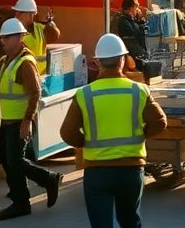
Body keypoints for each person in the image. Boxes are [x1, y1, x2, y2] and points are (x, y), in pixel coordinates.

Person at [60, 34, 167, 228]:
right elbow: (160, 122)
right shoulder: (139, 90)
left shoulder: (84, 94)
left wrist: (86, 142)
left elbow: (67, 133)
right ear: (123, 59)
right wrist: (140, 136)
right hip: (131, 170)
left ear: (98, 61)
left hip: (97, 172)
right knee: (130, 222)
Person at [0, 18, 62, 220]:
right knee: (7, 161)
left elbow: (35, 93)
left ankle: (47, 180)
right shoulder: (5, 61)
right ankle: (20, 198)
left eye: (6, 37)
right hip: (7, 121)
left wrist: (26, 122)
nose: (2, 41)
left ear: (19, 38)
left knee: (15, 161)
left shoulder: (24, 63)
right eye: (1, 38)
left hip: (18, 122)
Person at [12, 0, 60, 74]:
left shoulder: (40, 28)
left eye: (20, 12)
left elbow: (55, 35)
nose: (16, 15)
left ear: (31, 14)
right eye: (16, 12)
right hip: (26, 73)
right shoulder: (15, 32)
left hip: (42, 74)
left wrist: (49, 22)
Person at [114, 0, 149, 73]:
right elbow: (133, 34)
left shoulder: (132, 19)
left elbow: (143, 31)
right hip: (132, 53)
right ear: (130, 8)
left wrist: (141, 21)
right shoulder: (123, 20)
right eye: (136, 7)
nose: (137, 9)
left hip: (138, 50)